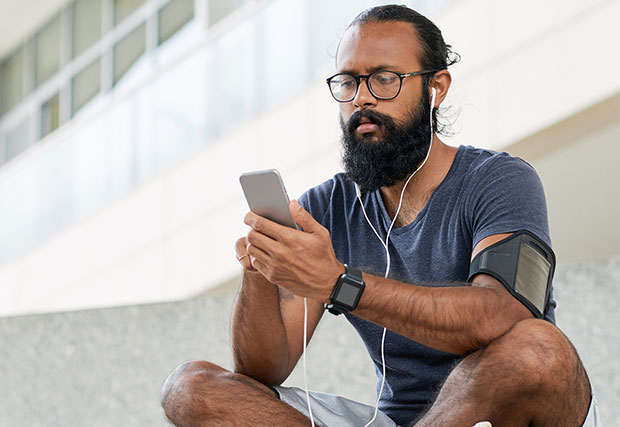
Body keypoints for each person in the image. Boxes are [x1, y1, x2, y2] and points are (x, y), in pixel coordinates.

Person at [161, 5, 599, 426]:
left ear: (436, 87)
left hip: (495, 410)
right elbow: (265, 369)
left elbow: (503, 316)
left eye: (385, 79)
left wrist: (340, 283)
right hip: (388, 421)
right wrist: (261, 269)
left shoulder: (499, 180)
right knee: (190, 388)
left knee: (540, 350)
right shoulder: (325, 209)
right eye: (349, 82)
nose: (362, 99)